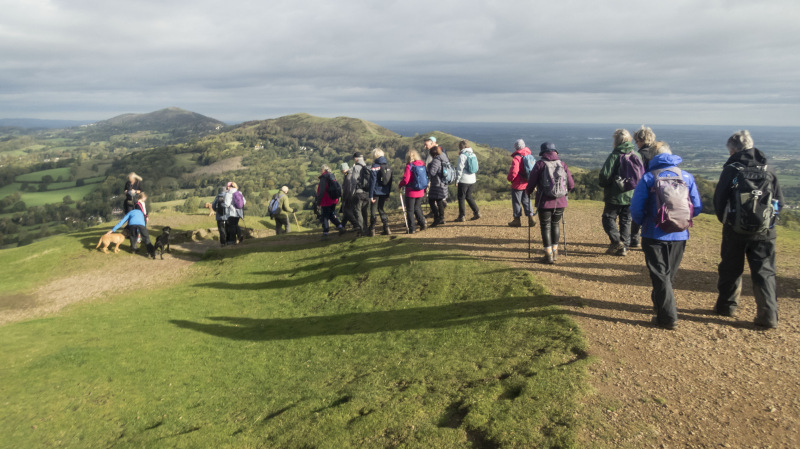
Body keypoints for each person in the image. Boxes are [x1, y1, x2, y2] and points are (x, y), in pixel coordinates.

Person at [713, 130, 783, 329]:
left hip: (735, 228)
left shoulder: (732, 168)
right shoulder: (769, 169)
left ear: (733, 150)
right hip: (765, 231)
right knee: (765, 272)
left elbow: (719, 199)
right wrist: (769, 222)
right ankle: (768, 315)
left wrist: (726, 221)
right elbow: (779, 201)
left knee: (730, 268)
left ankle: (727, 307)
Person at [631, 144, 703, 330]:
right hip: (680, 233)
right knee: (667, 275)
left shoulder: (648, 177)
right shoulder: (686, 176)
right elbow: (696, 206)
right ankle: (660, 305)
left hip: (653, 233)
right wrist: (680, 220)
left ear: (653, 157)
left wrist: (641, 223)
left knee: (660, 275)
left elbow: (637, 208)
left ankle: (668, 317)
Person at [526, 142, 575, 264]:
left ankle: (548, 255)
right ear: (555, 152)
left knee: (545, 226)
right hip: (560, 201)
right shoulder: (562, 164)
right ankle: (555, 252)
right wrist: (563, 193)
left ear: (543, 153)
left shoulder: (540, 164)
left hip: (544, 201)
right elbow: (571, 184)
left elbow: (531, 183)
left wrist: (528, 192)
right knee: (555, 224)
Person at [598, 129, 642, 256]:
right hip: (632, 194)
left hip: (615, 194)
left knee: (608, 218)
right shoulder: (637, 155)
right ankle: (624, 246)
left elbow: (605, 175)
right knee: (626, 220)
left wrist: (604, 185)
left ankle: (617, 242)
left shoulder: (615, 155)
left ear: (616, 141)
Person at [630, 126, 656, 248]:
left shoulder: (639, 155)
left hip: (642, 186)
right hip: (657, 188)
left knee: (638, 211)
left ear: (643, 140)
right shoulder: (657, 153)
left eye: (637, 141)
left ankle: (634, 238)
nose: (636, 143)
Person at [507, 139, 536, 227]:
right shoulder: (529, 155)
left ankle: (517, 220)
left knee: (516, 202)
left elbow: (514, 171)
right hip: (527, 183)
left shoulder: (517, 157)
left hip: (518, 184)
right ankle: (531, 218)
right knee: (527, 201)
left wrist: (510, 179)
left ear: (516, 147)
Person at [398, 150, 427, 234]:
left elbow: (406, 180)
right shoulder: (422, 165)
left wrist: (400, 185)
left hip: (411, 191)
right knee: (417, 208)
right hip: (421, 190)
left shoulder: (409, 166)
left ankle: (412, 229)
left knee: (410, 210)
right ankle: (422, 223)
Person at [453, 140, 480, 222]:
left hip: (464, 180)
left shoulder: (462, 156)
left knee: (461, 197)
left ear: (461, 147)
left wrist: (457, 180)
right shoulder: (473, 154)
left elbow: (459, 169)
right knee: (469, 196)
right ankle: (476, 212)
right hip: (472, 179)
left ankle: (462, 216)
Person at [368, 148, 392, 235]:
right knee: (381, 209)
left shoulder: (374, 166)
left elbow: (372, 182)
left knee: (373, 210)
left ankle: (372, 229)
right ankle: (386, 227)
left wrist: (370, 195)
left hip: (375, 192)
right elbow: (390, 182)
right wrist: (387, 195)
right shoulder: (388, 166)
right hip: (384, 191)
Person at [315, 165, 344, 237]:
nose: (320, 171)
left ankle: (325, 232)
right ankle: (340, 226)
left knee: (325, 216)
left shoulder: (323, 178)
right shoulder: (332, 176)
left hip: (326, 200)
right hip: (333, 199)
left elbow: (321, 191)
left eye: (321, 169)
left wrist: (318, 202)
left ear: (323, 170)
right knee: (331, 214)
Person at [427, 143, 450, 226]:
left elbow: (432, 173)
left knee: (432, 200)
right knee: (439, 201)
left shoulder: (436, 160)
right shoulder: (444, 158)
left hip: (437, 183)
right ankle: (441, 218)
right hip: (443, 183)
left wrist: (429, 166)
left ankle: (438, 218)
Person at [350, 152, 370, 236]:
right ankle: (366, 227)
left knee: (357, 211)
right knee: (364, 211)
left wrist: (352, 192)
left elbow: (354, 181)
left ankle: (363, 230)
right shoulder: (367, 167)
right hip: (367, 192)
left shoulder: (356, 168)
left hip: (358, 192)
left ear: (356, 158)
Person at [339, 163, 355, 231]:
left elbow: (347, 187)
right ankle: (342, 225)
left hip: (349, 196)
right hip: (350, 195)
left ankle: (355, 224)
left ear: (344, 169)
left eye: (341, 170)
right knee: (346, 211)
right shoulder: (348, 174)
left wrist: (345, 197)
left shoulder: (348, 175)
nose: (341, 172)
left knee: (346, 211)